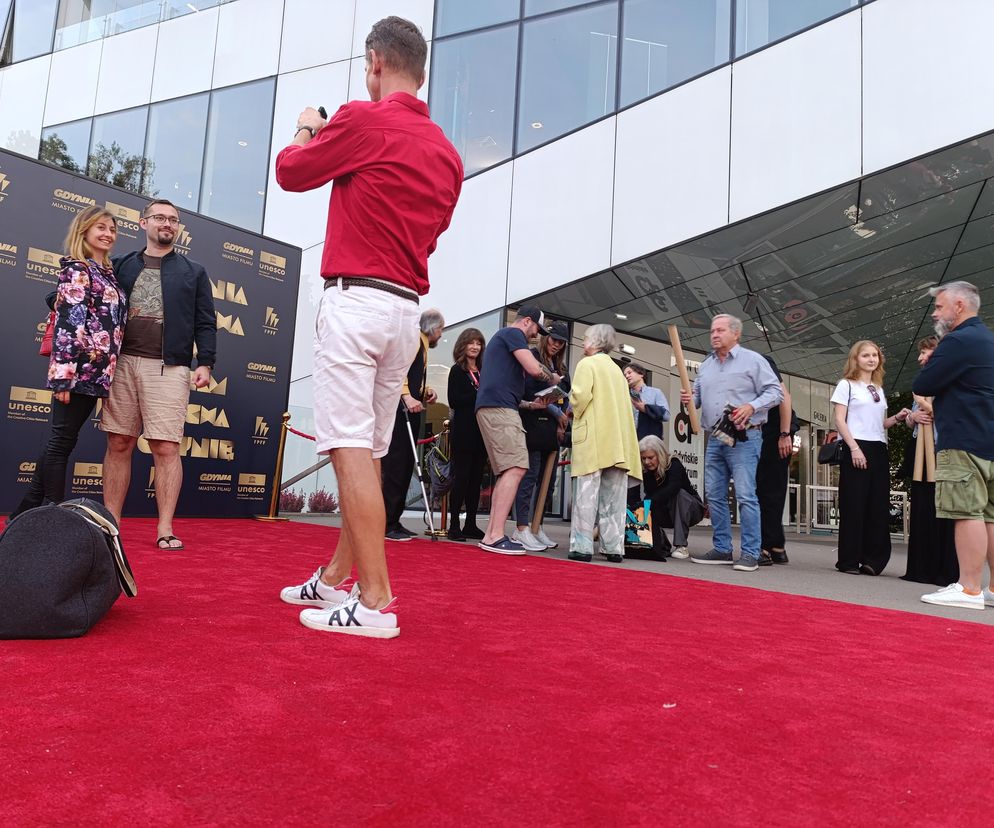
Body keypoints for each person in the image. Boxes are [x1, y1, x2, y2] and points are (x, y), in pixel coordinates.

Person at [275, 16, 462, 637]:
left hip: (356, 302)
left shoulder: (361, 118)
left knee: (348, 446)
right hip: (405, 311)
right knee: (371, 448)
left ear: (376, 61)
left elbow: (291, 171)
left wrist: (308, 126)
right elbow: (432, 231)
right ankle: (335, 580)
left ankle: (377, 600)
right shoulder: (448, 153)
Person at [100, 198, 216, 551]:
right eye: (161, 218)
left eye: (174, 220)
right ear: (143, 223)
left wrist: (206, 362)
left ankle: (165, 527)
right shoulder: (118, 264)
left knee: (166, 446)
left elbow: (205, 321)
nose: (168, 223)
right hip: (121, 364)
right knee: (119, 442)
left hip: (170, 367)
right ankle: (111, 525)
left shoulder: (193, 271)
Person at [10, 207, 127, 518]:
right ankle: (52, 512)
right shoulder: (77, 269)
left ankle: (26, 510)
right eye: (100, 227)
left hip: (97, 373)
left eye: (112, 229)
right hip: (76, 372)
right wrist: (62, 376)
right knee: (61, 441)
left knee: (62, 439)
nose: (108, 233)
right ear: (84, 231)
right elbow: (68, 323)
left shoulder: (107, 273)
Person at [680, 314, 782, 572]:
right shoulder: (706, 366)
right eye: (712, 330)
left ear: (736, 334)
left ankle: (750, 553)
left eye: (720, 330)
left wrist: (752, 405)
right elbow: (698, 398)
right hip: (716, 436)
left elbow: (775, 392)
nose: (714, 334)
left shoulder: (753, 360)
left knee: (746, 495)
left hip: (746, 436)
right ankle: (723, 548)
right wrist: (690, 398)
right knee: (714, 494)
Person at [915, 282, 994, 610]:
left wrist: (935, 359)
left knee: (966, 512)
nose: (935, 313)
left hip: (962, 438)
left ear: (959, 306)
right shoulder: (989, 339)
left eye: (940, 306)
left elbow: (924, 384)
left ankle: (969, 589)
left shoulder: (957, 340)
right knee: (990, 516)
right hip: (989, 439)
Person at [475, 307, 562, 555]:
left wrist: (531, 405)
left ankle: (493, 532)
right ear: (526, 321)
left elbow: (506, 386)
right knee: (517, 467)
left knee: (508, 470)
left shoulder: (503, 339)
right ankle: (494, 536)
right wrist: (553, 378)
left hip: (499, 407)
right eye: (537, 328)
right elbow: (535, 370)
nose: (537, 335)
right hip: (500, 410)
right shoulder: (513, 334)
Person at [831, 340, 909, 576]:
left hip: (878, 447)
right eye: (866, 355)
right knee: (854, 504)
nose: (872, 359)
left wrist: (896, 418)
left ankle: (873, 560)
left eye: (875, 355)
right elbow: (840, 420)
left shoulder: (878, 388)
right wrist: (854, 448)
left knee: (877, 505)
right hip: (856, 445)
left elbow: (878, 424)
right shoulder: (846, 385)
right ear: (856, 359)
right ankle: (848, 560)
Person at [568, 324, 641, 563]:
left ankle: (582, 545)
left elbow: (580, 398)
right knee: (614, 499)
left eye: (586, 338)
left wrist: (570, 406)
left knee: (586, 495)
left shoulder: (586, 364)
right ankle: (613, 547)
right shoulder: (617, 370)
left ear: (595, 341)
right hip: (617, 442)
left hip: (594, 438)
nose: (582, 342)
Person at [382, 308, 444, 541]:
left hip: (411, 407)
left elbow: (413, 375)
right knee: (397, 464)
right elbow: (397, 371)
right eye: (440, 329)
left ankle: (394, 520)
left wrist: (423, 391)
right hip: (401, 410)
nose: (440, 334)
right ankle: (386, 522)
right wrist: (407, 396)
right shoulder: (413, 341)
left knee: (406, 464)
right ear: (433, 328)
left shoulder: (423, 344)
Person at [901, 336, 958, 585]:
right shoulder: (923, 382)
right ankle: (920, 568)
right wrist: (913, 416)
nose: (920, 358)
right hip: (921, 453)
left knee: (944, 511)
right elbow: (914, 418)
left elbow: (954, 414)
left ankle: (943, 571)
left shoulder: (953, 379)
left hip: (945, 451)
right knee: (923, 507)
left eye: (926, 353)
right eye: (921, 353)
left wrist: (927, 405)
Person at [512, 320, 571, 551]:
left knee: (548, 482)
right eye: (554, 339)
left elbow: (564, 394)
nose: (556, 345)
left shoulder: (560, 366)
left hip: (552, 428)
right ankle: (522, 526)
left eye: (561, 342)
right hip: (534, 423)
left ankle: (538, 525)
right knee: (531, 477)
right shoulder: (532, 357)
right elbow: (529, 393)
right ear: (546, 337)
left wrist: (562, 415)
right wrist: (557, 412)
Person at [446, 328, 487, 542]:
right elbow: (454, 400)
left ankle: (470, 523)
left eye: (478, 343)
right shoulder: (457, 371)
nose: (475, 347)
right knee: (461, 478)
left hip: (482, 432)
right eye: (471, 343)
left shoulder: (484, 370)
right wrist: (477, 393)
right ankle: (454, 526)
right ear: (463, 345)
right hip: (463, 431)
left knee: (476, 480)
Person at [756, 355, 797, 566]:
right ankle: (776, 545)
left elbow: (784, 396)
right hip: (757, 433)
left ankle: (766, 546)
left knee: (770, 490)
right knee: (764, 490)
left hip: (775, 432)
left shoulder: (759, 360)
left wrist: (784, 434)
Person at [637, 435, 704, 561]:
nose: (646, 462)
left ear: (660, 454)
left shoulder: (674, 464)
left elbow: (673, 488)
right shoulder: (647, 472)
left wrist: (648, 502)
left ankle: (681, 545)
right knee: (648, 505)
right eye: (643, 458)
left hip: (691, 509)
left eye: (650, 458)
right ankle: (661, 543)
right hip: (668, 511)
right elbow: (651, 496)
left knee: (678, 494)